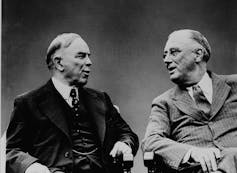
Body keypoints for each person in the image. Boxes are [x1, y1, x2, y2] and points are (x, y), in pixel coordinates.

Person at [6, 33, 139, 173]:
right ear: (59, 63)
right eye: (81, 56)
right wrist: (32, 167)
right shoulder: (28, 103)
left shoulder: (101, 99)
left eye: (89, 56)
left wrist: (124, 144)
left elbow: (127, 134)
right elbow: (11, 151)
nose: (89, 62)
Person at [142, 29, 237, 173]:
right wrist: (192, 152)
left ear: (198, 54)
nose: (166, 60)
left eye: (174, 52)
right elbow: (151, 141)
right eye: (165, 55)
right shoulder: (164, 102)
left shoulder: (235, 85)